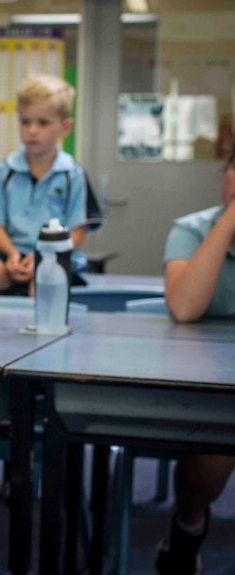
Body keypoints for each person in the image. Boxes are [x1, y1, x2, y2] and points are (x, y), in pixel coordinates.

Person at [154, 143, 235, 575]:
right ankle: (188, 527)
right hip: (208, 382)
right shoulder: (190, 230)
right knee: (216, 442)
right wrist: (228, 223)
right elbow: (184, 307)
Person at [0, 73, 102, 298]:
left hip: (57, 254)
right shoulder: (4, 171)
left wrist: (44, 255)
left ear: (65, 127)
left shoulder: (73, 175)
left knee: (44, 283)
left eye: (43, 123)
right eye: (26, 122)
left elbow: (77, 233)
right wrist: (12, 255)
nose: (32, 130)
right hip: (9, 254)